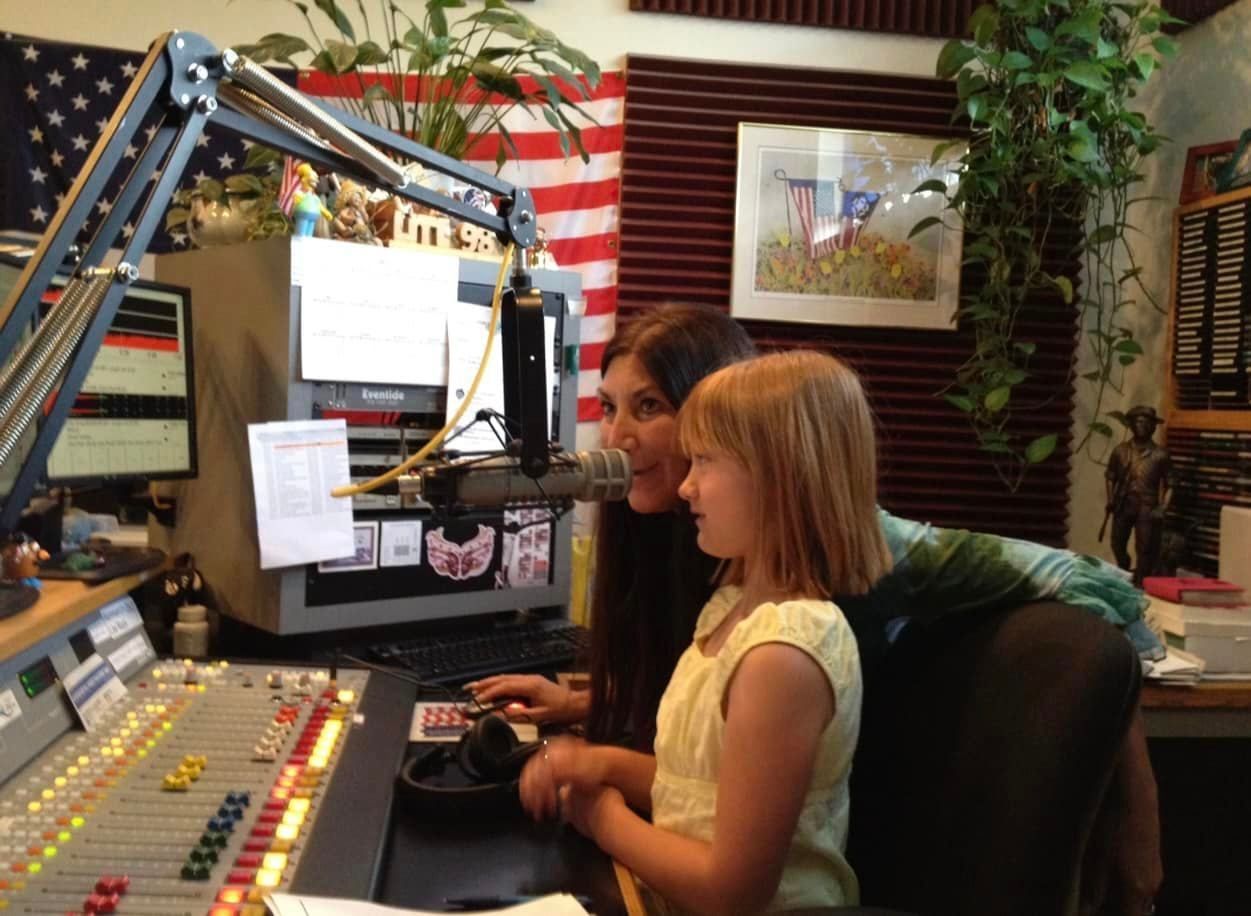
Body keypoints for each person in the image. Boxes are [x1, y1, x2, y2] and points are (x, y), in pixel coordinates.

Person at [469, 303, 1162, 914]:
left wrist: (1137, 820)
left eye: (648, 407)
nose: (615, 437)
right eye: (608, 407)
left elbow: (1089, 589)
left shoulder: (838, 570)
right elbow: (711, 734)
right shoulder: (715, 567)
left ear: (766, 449)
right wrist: (586, 709)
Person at [563, 350, 889, 910]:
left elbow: (730, 891)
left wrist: (603, 818)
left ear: (781, 476)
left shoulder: (783, 654)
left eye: (705, 461)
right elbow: (702, 787)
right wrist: (604, 763)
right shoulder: (731, 610)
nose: (685, 487)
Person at [1104, 405, 1172, 586]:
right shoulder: (1120, 451)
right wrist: (1110, 499)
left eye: (1146, 422)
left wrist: (1163, 507)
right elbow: (1110, 477)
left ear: (1153, 427)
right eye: (1138, 421)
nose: (1142, 425)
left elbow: (1171, 484)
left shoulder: (1161, 454)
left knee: (1145, 547)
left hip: (1147, 506)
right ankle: (1124, 570)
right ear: (1131, 425)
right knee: (1117, 543)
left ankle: (1140, 581)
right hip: (1123, 503)